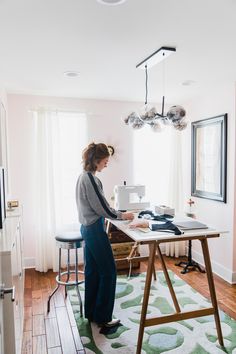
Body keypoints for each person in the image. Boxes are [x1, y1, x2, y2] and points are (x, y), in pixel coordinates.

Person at [75, 142, 134, 328]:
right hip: (94, 229)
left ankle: (92, 312)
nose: (107, 163)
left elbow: (99, 205)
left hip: (87, 227)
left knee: (93, 271)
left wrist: (115, 213)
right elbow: (102, 208)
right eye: (106, 160)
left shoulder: (83, 176)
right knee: (109, 271)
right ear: (98, 160)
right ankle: (104, 317)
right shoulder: (91, 179)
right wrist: (123, 215)